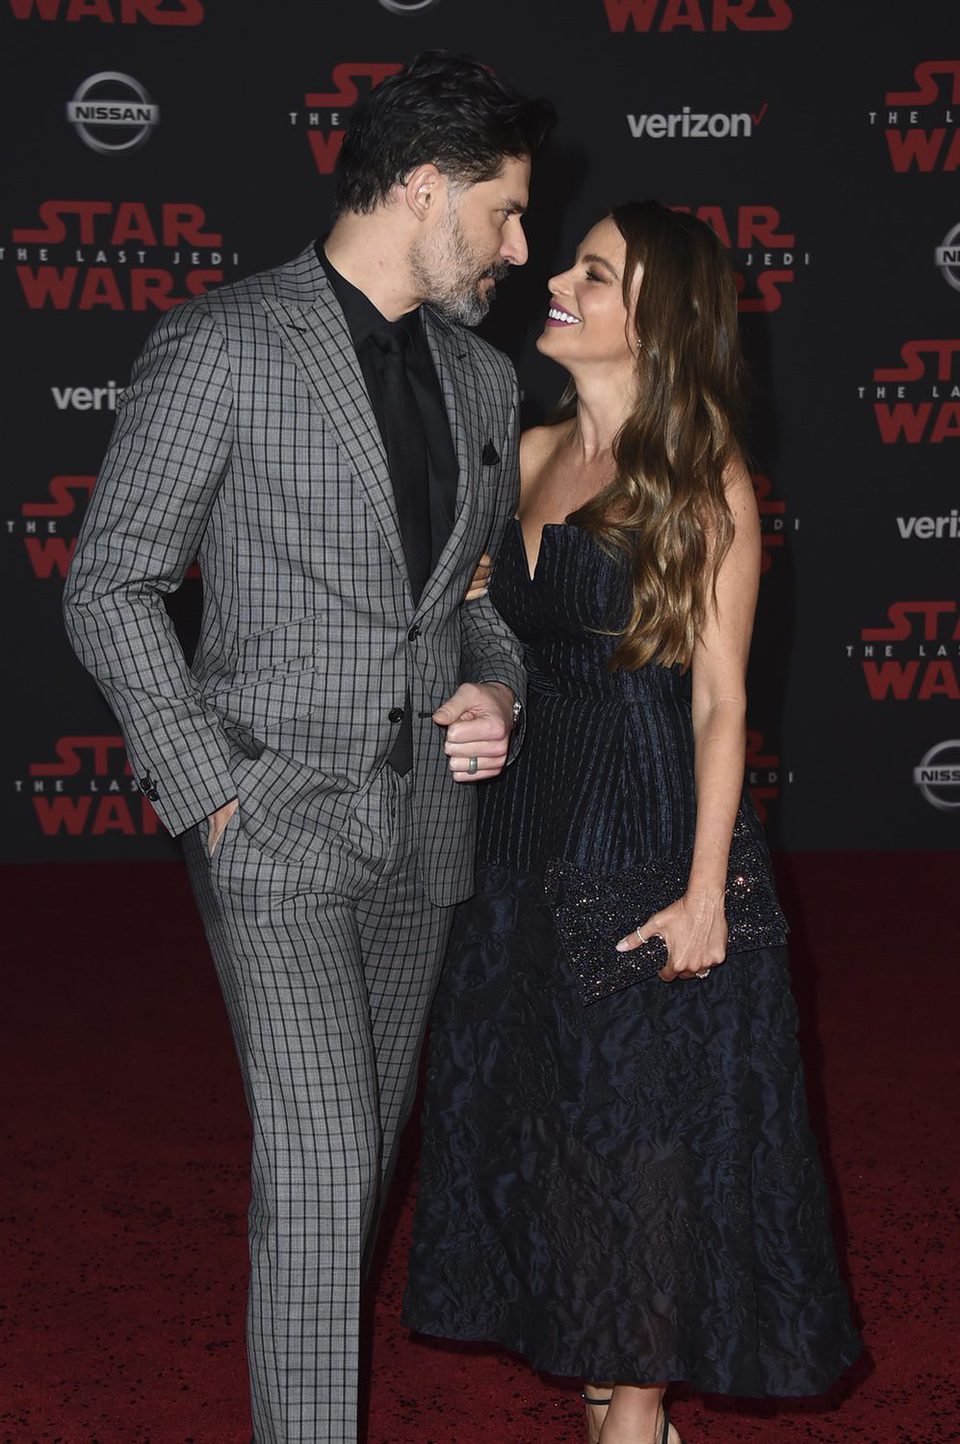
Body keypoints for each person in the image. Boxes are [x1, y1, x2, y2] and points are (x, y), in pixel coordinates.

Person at [63, 52, 555, 1444]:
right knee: (329, 1169)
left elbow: (479, 610)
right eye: (506, 212)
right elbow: (109, 582)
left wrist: (498, 695)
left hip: (425, 841)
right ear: (421, 187)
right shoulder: (226, 341)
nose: (523, 248)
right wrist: (211, 795)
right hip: (273, 826)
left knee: (357, 1170)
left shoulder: (479, 380)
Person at [403, 201, 862, 1444]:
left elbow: (722, 703)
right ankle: (618, 1376)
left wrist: (709, 887)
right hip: (526, 822)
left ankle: (636, 1402)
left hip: (650, 822)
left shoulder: (700, 472)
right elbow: (486, 627)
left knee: (646, 1122)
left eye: (594, 274)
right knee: (550, 1111)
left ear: (658, 321)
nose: (556, 278)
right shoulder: (525, 443)